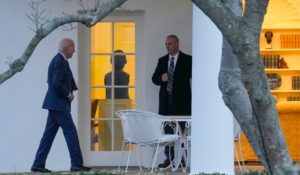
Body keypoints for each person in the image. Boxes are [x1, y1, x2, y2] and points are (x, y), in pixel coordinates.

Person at [31, 38, 91, 173]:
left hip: (55, 104)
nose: (74, 50)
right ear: (67, 47)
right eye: (73, 47)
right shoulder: (59, 61)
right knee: (71, 132)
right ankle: (76, 164)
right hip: (59, 105)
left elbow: (51, 81)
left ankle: (38, 164)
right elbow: (55, 83)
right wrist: (68, 94)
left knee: (49, 135)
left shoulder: (60, 60)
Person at [152, 34, 192, 168]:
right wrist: (161, 79)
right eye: (166, 44)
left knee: (181, 132)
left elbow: (196, 78)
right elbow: (154, 79)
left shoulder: (188, 60)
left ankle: (181, 158)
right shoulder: (162, 60)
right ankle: (169, 158)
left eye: (170, 44)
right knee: (168, 131)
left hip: (182, 103)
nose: (167, 46)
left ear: (177, 44)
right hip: (165, 102)